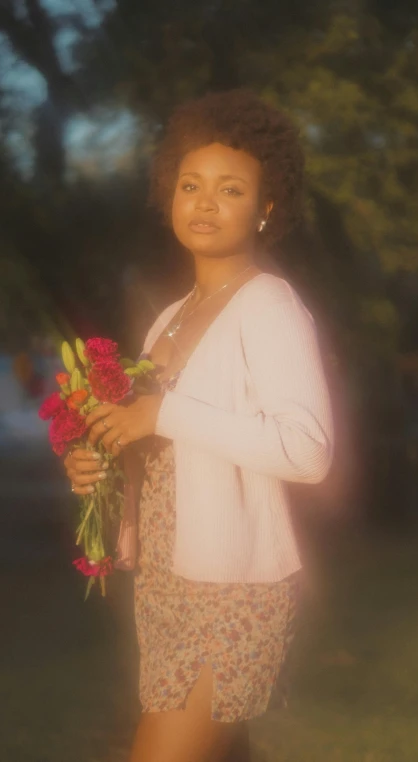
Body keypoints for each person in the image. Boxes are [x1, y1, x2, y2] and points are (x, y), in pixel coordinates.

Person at [64, 89, 333, 762]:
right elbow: (164, 453)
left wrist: (163, 411)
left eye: (230, 188)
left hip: (232, 592)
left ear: (266, 207)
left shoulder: (267, 305)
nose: (204, 202)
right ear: (169, 195)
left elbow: (307, 450)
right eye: (190, 185)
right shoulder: (170, 318)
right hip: (165, 586)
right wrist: (100, 468)